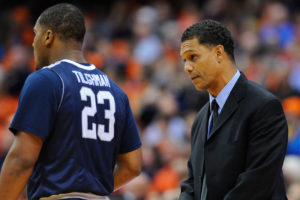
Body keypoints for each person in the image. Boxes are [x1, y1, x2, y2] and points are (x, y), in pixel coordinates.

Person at [0, 3, 142, 200]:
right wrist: (91, 192)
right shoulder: (116, 91)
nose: (32, 43)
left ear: (48, 36)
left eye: (35, 34)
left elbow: (21, 160)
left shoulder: (46, 80)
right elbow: (133, 166)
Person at [179, 19, 288, 200]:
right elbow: (192, 182)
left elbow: (256, 184)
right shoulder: (200, 118)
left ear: (219, 53)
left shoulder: (264, 106)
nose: (187, 67)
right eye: (184, 60)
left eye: (193, 57)